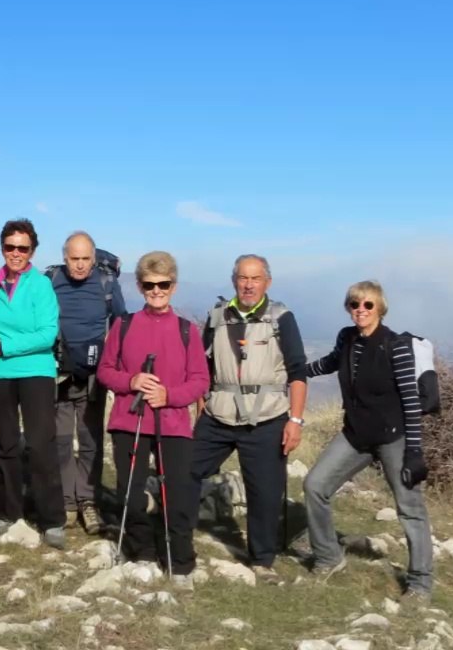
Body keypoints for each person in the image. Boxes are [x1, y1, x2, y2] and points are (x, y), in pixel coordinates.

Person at [302, 280, 433, 604]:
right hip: (355, 435)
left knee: (410, 508)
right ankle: (328, 557)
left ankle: (420, 584)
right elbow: (332, 362)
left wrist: (414, 451)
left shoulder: (395, 345)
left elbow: (410, 400)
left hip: (393, 438)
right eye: (354, 304)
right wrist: (298, 371)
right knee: (314, 486)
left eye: (367, 305)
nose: (360, 310)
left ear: (380, 308)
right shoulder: (347, 339)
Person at [187, 254, 308, 585]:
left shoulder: (282, 318)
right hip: (219, 413)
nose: (249, 284)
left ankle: (262, 560)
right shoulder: (216, 318)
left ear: (267, 282)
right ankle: (176, 536)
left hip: (268, 417)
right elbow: (203, 367)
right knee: (185, 470)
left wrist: (295, 421)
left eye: (255, 278)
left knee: (265, 491)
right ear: (234, 281)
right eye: (243, 278)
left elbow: (298, 371)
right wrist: (201, 403)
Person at [98, 251, 208, 580]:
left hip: (173, 424)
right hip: (128, 422)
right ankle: (143, 551)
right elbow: (105, 371)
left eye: (163, 284)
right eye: (149, 284)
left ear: (173, 286)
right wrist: (131, 381)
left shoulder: (188, 330)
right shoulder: (124, 325)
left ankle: (180, 561)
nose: (156, 290)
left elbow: (201, 380)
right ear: (139, 286)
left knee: (177, 496)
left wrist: (169, 396)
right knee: (131, 494)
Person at [0, 219, 65, 548]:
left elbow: (47, 334)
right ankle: (9, 511)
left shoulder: (40, 286)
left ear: (32, 251)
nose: (16, 253)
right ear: (2, 248)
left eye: (23, 248)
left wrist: (2, 347)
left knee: (40, 444)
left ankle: (52, 519)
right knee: (6, 444)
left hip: (36, 371)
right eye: (10, 247)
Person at [48, 231, 126, 534]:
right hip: (59, 373)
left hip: (95, 375)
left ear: (94, 258)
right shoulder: (51, 281)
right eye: (74, 258)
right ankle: (67, 501)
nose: (79, 265)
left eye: (85, 259)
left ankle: (89, 501)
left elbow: (121, 325)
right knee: (61, 440)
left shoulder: (107, 284)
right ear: (64, 257)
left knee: (91, 440)